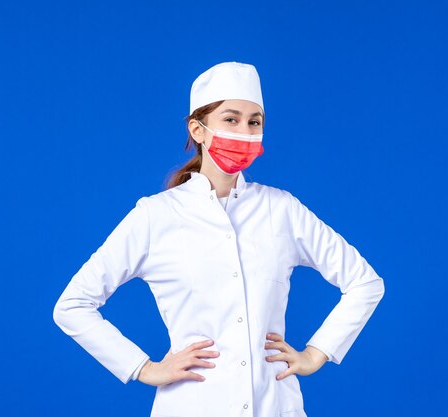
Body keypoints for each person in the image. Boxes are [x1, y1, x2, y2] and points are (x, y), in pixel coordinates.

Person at [53, 61, 385, 417]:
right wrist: (144, 367)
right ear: (198, 129)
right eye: (230, 119)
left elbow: (365, 283)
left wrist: (317, 352)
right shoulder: (156, 215)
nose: (244, 130)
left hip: (276, 405)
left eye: (254, 121)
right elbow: (73, 306)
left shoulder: (281, 209)